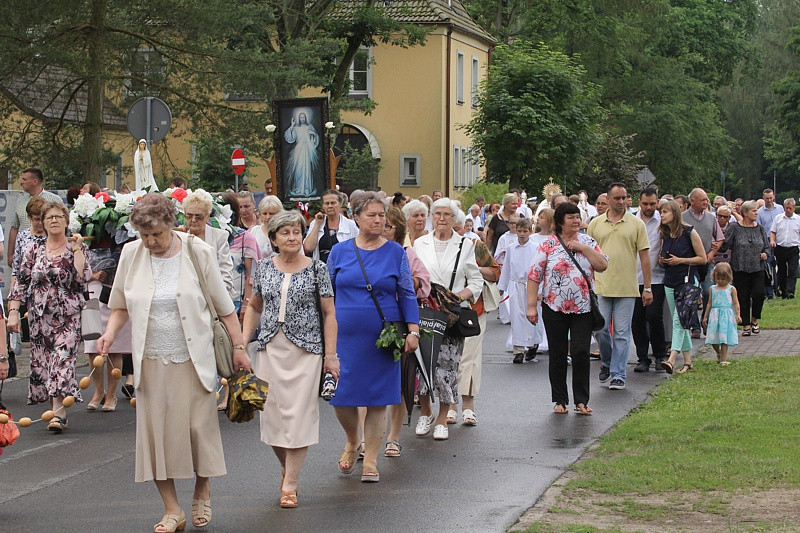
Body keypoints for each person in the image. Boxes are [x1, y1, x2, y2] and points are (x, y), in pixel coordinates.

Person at [96, 193, 250, 532]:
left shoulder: (198, 252)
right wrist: (109, 334)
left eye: (157, 235)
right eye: (144, 235)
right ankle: (172, 509)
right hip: (150, 362)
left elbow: (225, 308)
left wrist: (239, 347)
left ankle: (202, 490)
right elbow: (120, 304)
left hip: (193, 360)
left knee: (199, 432)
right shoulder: (132, 254)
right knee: (156, 437)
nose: (150, 242)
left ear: (171, 224)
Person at [240, 210, 338, 508]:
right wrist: (242, 344)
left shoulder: (316, 269)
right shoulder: (265, 268)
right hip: (270, 349)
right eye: (285, 233)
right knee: (271, 417)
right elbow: (255, 307)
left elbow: (329, 314)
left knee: (299, 417)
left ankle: (291, 484)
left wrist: (330, 357)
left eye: (297, 231)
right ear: (273, 239)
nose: (293, 237)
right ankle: (287, 468)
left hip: (307, 352)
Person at [327, 192, 420, 482]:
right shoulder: (339, 252)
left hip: (383, 337)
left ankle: (371, 459)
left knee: (379, 398)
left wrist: (413, 329)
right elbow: (326, 295)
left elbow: (406, 292)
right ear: (355, 218)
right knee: (341, 397)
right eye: (372, 215)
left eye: (382, 215)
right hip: (343, 338)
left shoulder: (394, 252)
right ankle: (353, 440)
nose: (378, 220)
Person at [7, 201, 90, 430]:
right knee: (45, 364)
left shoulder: (77, 247)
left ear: (66, 221)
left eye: (58, 217)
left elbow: (82, 278)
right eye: (49, 217)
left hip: (68, 317)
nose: (54, 220)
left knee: (61, 361)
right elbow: (21, 283)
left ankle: (58, 413)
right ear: (42, 223)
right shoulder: (33, 249)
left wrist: (76, 249)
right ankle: (57, 408)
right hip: (39, 317)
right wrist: (14, 312)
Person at [526, 202, 608, 414]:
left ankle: (581, 401)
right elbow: (534, 275)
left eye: (577, 217)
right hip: (554, 307)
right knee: (558, 353)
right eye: (570, 217)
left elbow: (602, 265)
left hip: (583, 307)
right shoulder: (548, 244)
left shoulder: (588, 240)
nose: (576, 221)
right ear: (560, 221)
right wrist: (531, 306)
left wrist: (583, 248)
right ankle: (560, 400)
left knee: (581, 351)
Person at [413, 198, 482, 440]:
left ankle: (443, 417)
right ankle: (426, 412)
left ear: (455, 219)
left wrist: (459, 295)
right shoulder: (419, 242)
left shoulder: (466, 244)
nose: (441, 218)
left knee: (447, 367)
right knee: (421, 366)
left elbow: (476, 281)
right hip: (424, 311)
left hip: (451, 314)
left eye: (447, 214)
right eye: (437, 213)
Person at [588, 183, 652, 390]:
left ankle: (618, 374)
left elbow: (644, 257)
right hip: (602, 286)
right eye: (617, 198)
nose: (621, 202)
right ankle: (607, 362)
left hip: (627, 288)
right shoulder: (596, 224)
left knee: (623, 333)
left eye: (624, 198)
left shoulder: (636, 224)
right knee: (600, 329)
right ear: (608, 198)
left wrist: (648, 287)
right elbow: (587, 256)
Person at [383, 207, 430, 457]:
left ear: (398, 229)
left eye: (388, 226)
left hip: (399, 324)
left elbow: (425, 284)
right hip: (371, 324)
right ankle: (362, 439)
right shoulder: (362, 251)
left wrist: (407, 281)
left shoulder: (406, 253)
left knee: (400, 383)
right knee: (367, 383)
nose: (382, 229)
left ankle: (393, 437)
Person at [450, 211, 500, 426]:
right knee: (447, 359)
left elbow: (495, 272)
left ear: (463, 227)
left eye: (456, 228)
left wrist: (474, 269)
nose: (453, 232)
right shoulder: (430, 246)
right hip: (445, 310)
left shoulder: (476, 245)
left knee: (469, 358)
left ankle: (468, 406)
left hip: (473, 310)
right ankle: (449, 405)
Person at [658, 200, 706, 374]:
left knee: (679, 320)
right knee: (681, 321)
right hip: (670, 281)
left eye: (665, 212)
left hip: (687, 281)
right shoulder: (666, 234)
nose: (662, 215)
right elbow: (663, 258)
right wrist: (663, 260)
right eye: (661, 212)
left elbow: (702, 258)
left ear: (675, 214)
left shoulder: (689, 232)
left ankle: (671, 359)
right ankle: (687, 361)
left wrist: (681, 260)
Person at [632, 187, 668, 373]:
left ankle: (660, 355)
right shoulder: (631, 220)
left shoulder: (663, 221)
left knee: (654, 316)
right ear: (639, 202)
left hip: (657, 277)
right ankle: (642, 357)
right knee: (637, 319)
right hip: (633, 277)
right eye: (645, 204)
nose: (649, 207)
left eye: (652, 204)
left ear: (657, 202)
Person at [498, 218, 544, 364]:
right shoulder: (511, 248)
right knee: (517, 317)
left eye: (525, 231)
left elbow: (540, 269)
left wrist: (540, 290)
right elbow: (506, 268)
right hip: (516, 285)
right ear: (515, 231)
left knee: (533, 316)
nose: (522, 234)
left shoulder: (536, 247)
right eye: (519, 231)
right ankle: (518, 350)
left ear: (531, 231)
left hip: (532, 285)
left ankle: (533, 344)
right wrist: (502, 287)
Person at [682, 188, 724, 338]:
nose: (706, 202)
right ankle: (695, 327)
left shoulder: (711, 218)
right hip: (689, 263)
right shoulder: (682, 218)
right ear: (692, 201)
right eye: (702, 200)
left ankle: (705, 321)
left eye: (706, 199)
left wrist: (712, 253)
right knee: (691, 295)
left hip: (707, 261)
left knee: (708, 291)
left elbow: (719, 238)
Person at [723, 200, 769, 336]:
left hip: (758, 267)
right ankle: (746, 325)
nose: (756, 213)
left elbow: (766, 246)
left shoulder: (760, 228)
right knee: (743, 297)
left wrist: (765, 253)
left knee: (759, 294)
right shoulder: (735, 228)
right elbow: (725, 244)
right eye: (754, 211)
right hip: (740, 267)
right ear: (745, 213)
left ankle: (755, 319)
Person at [181, 190, 235, 301]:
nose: (193, 220)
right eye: (189, 216)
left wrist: (215, 298)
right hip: (189, 299)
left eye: (198, 216)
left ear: (207, 216)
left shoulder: (220, 236)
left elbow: (225, 271)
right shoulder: (180, 239)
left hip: (216, 298)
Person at [7, 167, 62, 269]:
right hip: (23, 252)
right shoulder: (20, 201)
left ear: (35, 181)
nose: (21, 182)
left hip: (48, 253)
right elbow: (14, 228)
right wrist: (10, 254)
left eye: (24, 179)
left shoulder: (54, 200)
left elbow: (63, 226)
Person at [304, 189, 359, 263]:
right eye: (327, 203)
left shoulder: (350, 224)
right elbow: (308, 247)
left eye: (333, 203)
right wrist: (317, 224)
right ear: (323, 206)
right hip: (321, 269)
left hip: (343, 267)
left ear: (340, 204)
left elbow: (359, 247)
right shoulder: (315, 223)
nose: (330, 206)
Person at [702, 263, 740, 366]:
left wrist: (738, 314)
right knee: (713, 338)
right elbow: (709, 303)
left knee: (724, 338)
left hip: (726, 316)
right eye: (718, 278)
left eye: (723, 279)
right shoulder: (712, 289)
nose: (720, 281)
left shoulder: (731, 289)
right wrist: (705, 317)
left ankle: (723, 359)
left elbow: (735, 302)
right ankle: (718, 352)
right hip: (715, 316)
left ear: (728, 277)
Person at [284, 111, 320, 198]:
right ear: (298, 119)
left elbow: (315, 139)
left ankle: (307, 188)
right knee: (298, 169)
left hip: (307, 151)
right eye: (301, 117)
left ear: (306, 118)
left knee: (307, 169)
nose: (302, 119)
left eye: (304, 117)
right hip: (298, 151)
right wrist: (292, 127)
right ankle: (298, 189)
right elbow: (290, 139)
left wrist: (314, 134)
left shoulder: (310, 126)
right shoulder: (296, 128)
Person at [770, 198, 800, 299]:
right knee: (782, 271)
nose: (788, 210)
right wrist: (772, 241)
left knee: (792, 270)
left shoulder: (798, 220)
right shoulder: (778, 218)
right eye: (786, 208)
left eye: (790, 208)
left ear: (794, 208)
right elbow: (773, 232)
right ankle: (783, 291)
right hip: (780, 248)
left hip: (793, 248)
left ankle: (790, 292)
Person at [757, 189, 781, 298]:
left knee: (780, 266)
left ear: (774, 197)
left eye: (771, 198)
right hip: (766, 240)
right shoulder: (760, 212)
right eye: (767, 198)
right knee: (768, 267)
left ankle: (779, 288)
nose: (769, 200)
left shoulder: (780, 208)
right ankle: (769, 291)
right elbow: (759, 228)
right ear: (763, 198)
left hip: (779, 240)